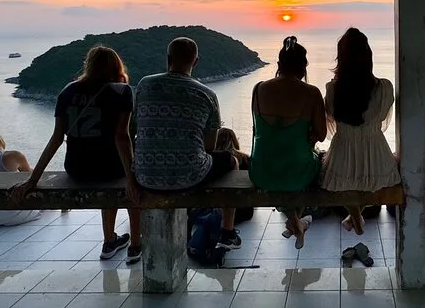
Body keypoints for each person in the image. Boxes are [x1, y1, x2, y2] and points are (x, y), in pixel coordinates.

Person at [10, 46, 142, 264]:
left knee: (109, 179)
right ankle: (136, 245)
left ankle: (109, 241)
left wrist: (32, 180)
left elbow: (56, 138)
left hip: (77, 168)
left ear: (89, 65)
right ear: (116, 66)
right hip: (111, 166)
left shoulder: (68, 91)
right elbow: (122, 136)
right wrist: (131, 179)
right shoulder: (122, 91)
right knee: (130, 185)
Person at [132, 37, 241, 250]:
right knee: (231, 161)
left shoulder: (145, 85)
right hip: (189, 175)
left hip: (145, 175)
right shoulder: (207, 94)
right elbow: (209, 146)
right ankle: (227, 232)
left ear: (168, 58)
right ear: (196, 61)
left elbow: (137, 126)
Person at [319, 28, 401, 235]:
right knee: (374, 182)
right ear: (368, 56)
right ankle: (356, 216)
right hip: (375, 152)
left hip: (342, 152)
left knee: (340, 184)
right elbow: (382, 116)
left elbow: (330, 116)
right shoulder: (384, 88)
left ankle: (354, 216)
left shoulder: (333, 89)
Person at [249, 36, 326, 249]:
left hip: (262, 171)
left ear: (279, 64)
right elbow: (321, 135)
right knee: (308, 165)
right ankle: (297, 222)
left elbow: (258, 131)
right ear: (303, 66)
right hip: (297, 172)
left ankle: (296, 223)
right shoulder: (311, 92)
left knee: (285, 169)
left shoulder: (258, 89)